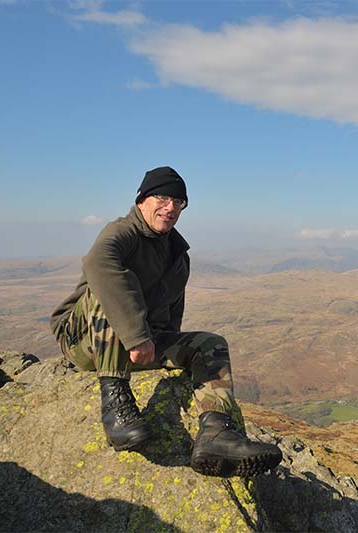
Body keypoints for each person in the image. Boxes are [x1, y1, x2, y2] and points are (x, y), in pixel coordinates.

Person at [50, 166, 282, 477]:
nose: (170, 207)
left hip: (137, 342)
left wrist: (169, 351)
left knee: (210, 344)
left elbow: (172, 314)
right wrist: (136, 337)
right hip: (84, 340)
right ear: (142, 199)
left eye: (178, 202)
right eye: (162, 197)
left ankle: (217, 434)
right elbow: (97, 264)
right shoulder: (122, 232)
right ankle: (115, 406)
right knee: (116, 286)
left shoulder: (177, 254)